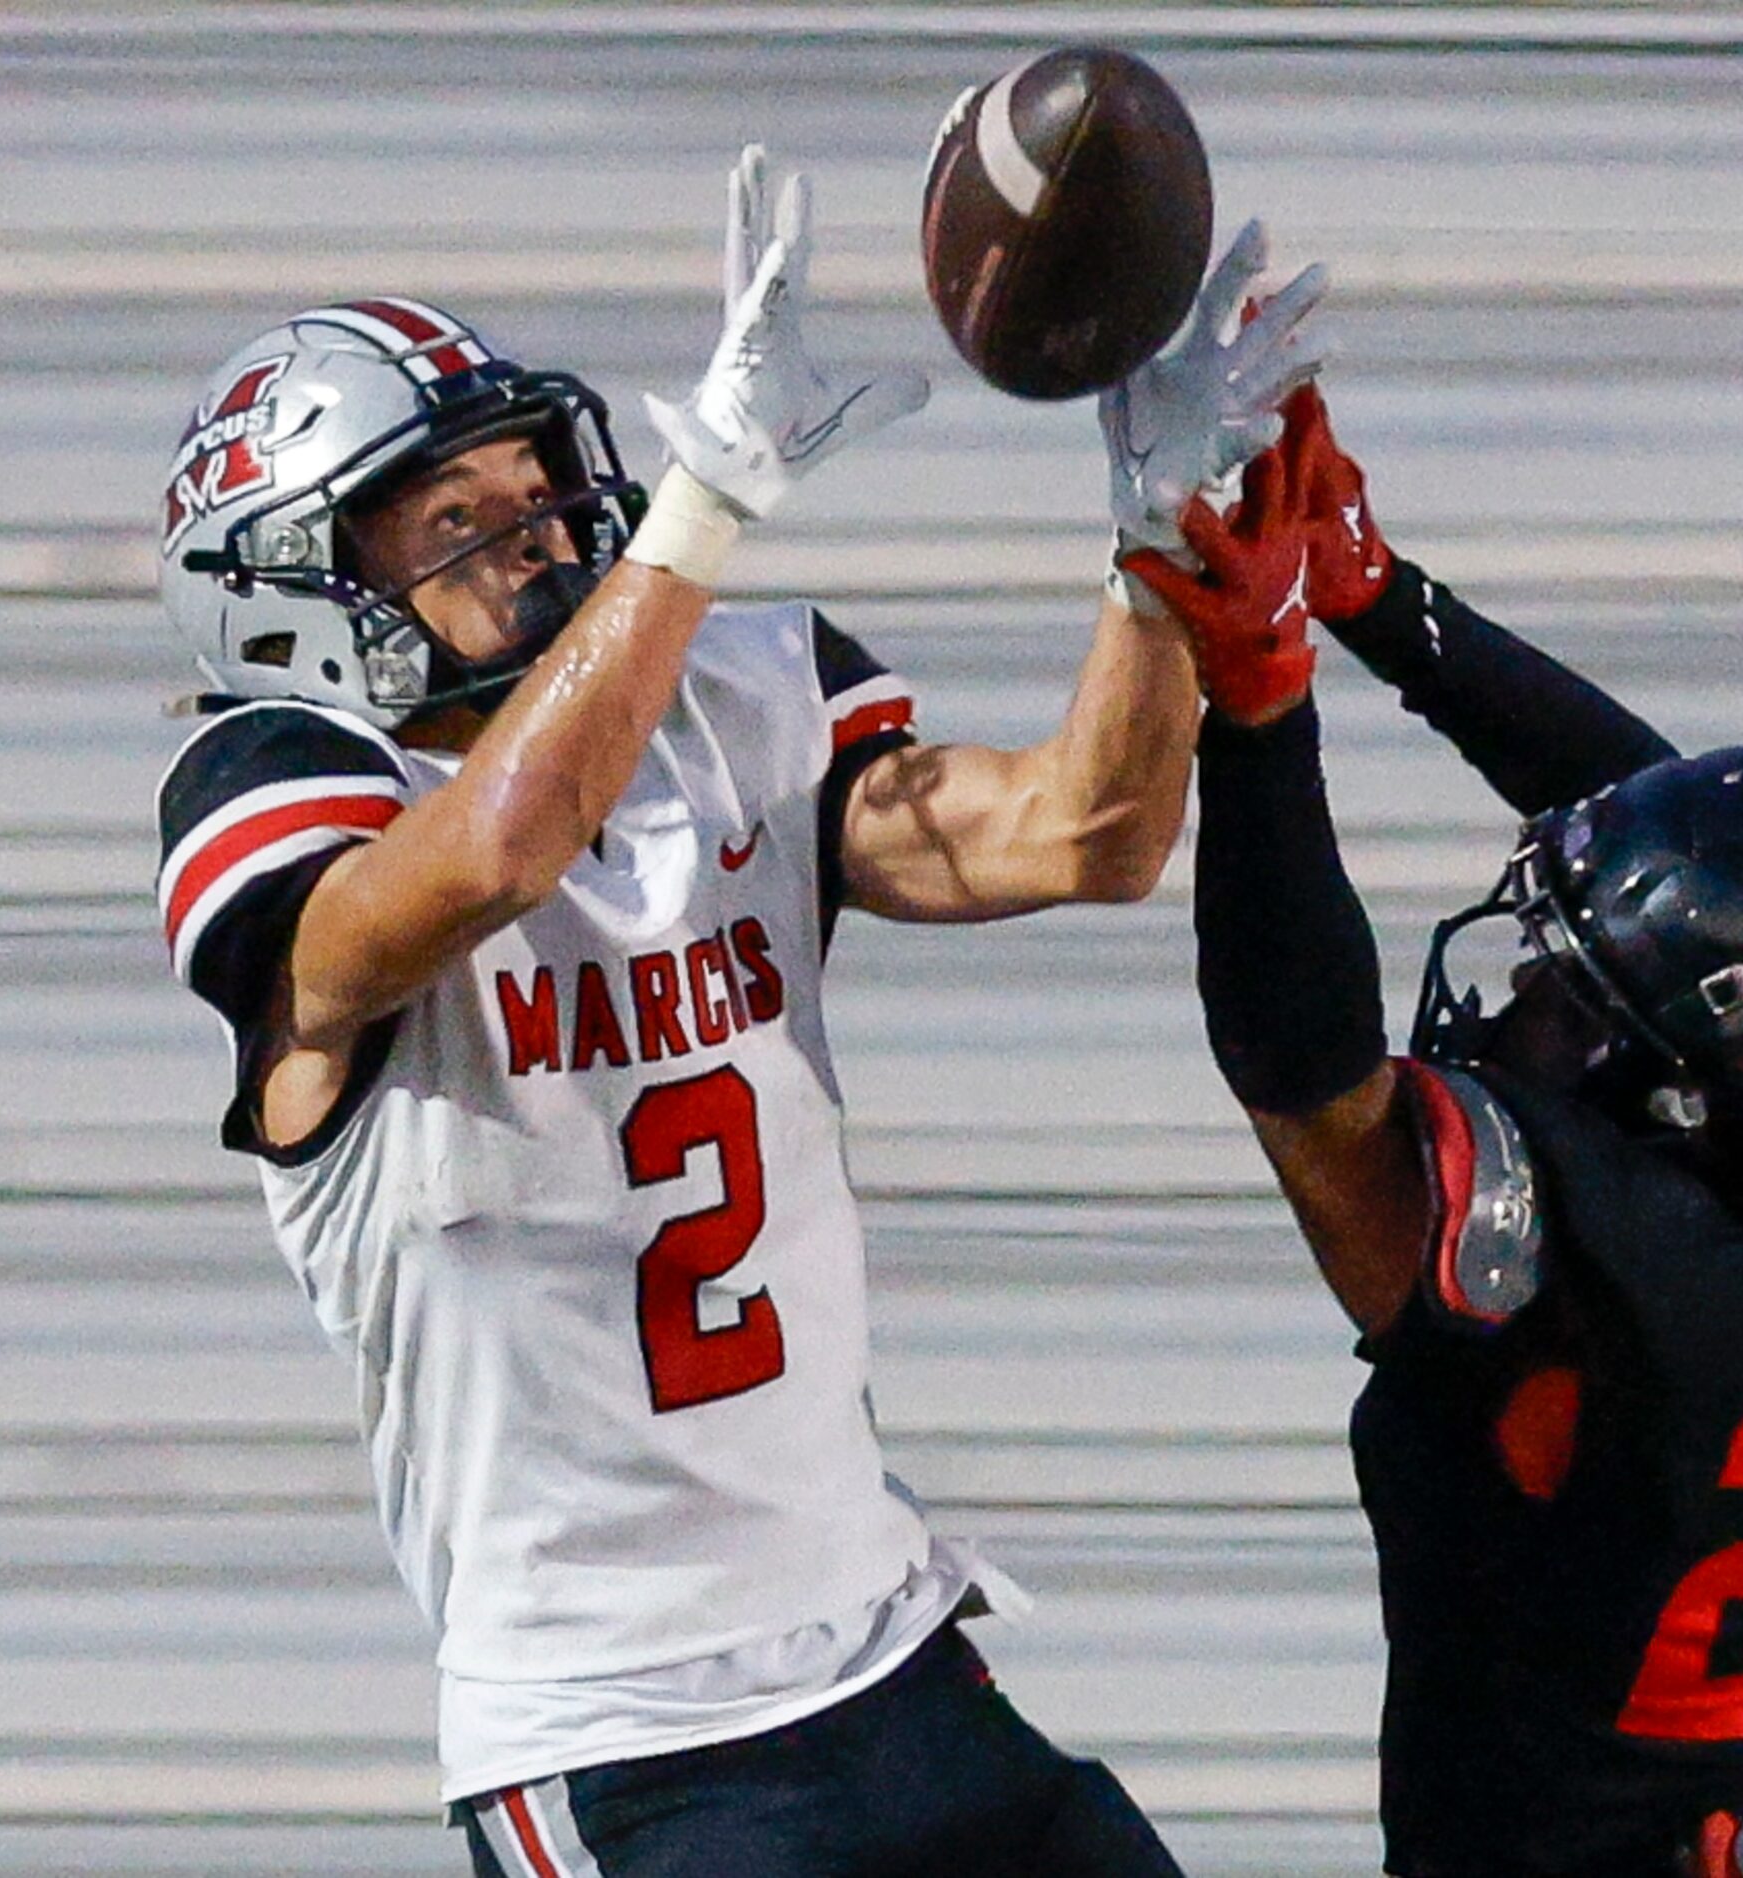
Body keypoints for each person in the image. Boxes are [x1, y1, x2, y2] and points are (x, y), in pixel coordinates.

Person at [152, 146, 1320, 1878]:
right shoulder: (278, 791)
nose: (535, 529)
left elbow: (1092, 831)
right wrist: (702, 510)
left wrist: (1152, 550)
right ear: (302, 599)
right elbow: (498, 853)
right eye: (453, 520)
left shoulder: (727, 693)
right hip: (623, 1739)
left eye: (529, 481)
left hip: (890, 1650)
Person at [1125, 388, 1743, 1878]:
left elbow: (1309, 1080)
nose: (1531, 1001)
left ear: (1696, 1102)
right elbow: (1698, 867)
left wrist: (1264, 711)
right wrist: (1385, 606)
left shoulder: (1626, 1297)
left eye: (1577, 1003)